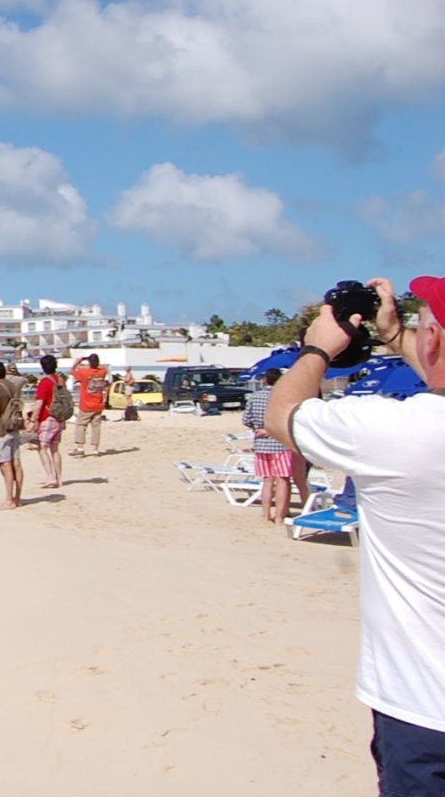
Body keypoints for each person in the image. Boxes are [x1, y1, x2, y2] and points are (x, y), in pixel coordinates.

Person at [268, 275, 445, 795]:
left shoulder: (399, 433)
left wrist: (317, 349)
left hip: (424, 705)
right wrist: (395, 336)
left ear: (432, 340)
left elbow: (284, 416)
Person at [242, 369, 296, 526]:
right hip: (280, 442)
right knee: (283, 480)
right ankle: (279, 516)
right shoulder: (284, 397)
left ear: (265, 380)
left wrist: (259, 428)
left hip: (261, 444)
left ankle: (265, 514)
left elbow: (246, 419)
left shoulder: (255, 396)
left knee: (267, 481)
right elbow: (289, 419)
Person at [0, 359, 26, 509]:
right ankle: (18, 498)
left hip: (2, 429)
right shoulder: (12, 385)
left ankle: (9, 499)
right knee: (17, 463)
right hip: (14, 426)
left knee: (5, 464)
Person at [33, 354, 65, 489]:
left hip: (47, 417)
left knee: (42, 447)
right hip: (59, 418)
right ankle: (59, 478)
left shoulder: (44, 382)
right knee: (55, 449)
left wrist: (34, 419)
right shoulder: (60, 380)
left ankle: (50, 477)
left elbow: (40, 403)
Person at [69, 354, 110, 457]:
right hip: (98, 403)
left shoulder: (84, 373)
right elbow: (103, 368)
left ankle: (80, 448)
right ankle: (95, 450)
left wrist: (78, 361)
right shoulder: (102, 372)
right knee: (96, 427)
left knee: (81, 425)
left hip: (87, 404)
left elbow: (72, 370)